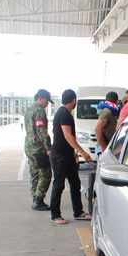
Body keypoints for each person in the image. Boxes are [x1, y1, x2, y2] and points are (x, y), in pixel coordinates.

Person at [49, 89, 93, 225]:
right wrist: (82, 152)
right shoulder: (64, 114)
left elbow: (65, 136)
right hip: (60, 156)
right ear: (73, 100)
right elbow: (68, 135)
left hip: (67, 156)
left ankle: (78, 212)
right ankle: (55, 215)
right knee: (59, 185)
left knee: (75, 183)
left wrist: (74, 154)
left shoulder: (64, 113)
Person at [24, 89, 52, 211]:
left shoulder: (29, 109)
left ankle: (35, 197)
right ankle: (38, 200)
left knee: (34, 173)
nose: (47, 104)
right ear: (41, 98)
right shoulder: (39, 110)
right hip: (38, 148)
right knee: (46, 174)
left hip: (29, 146)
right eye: (47, 101)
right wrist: (48, 148)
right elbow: (42, 132)